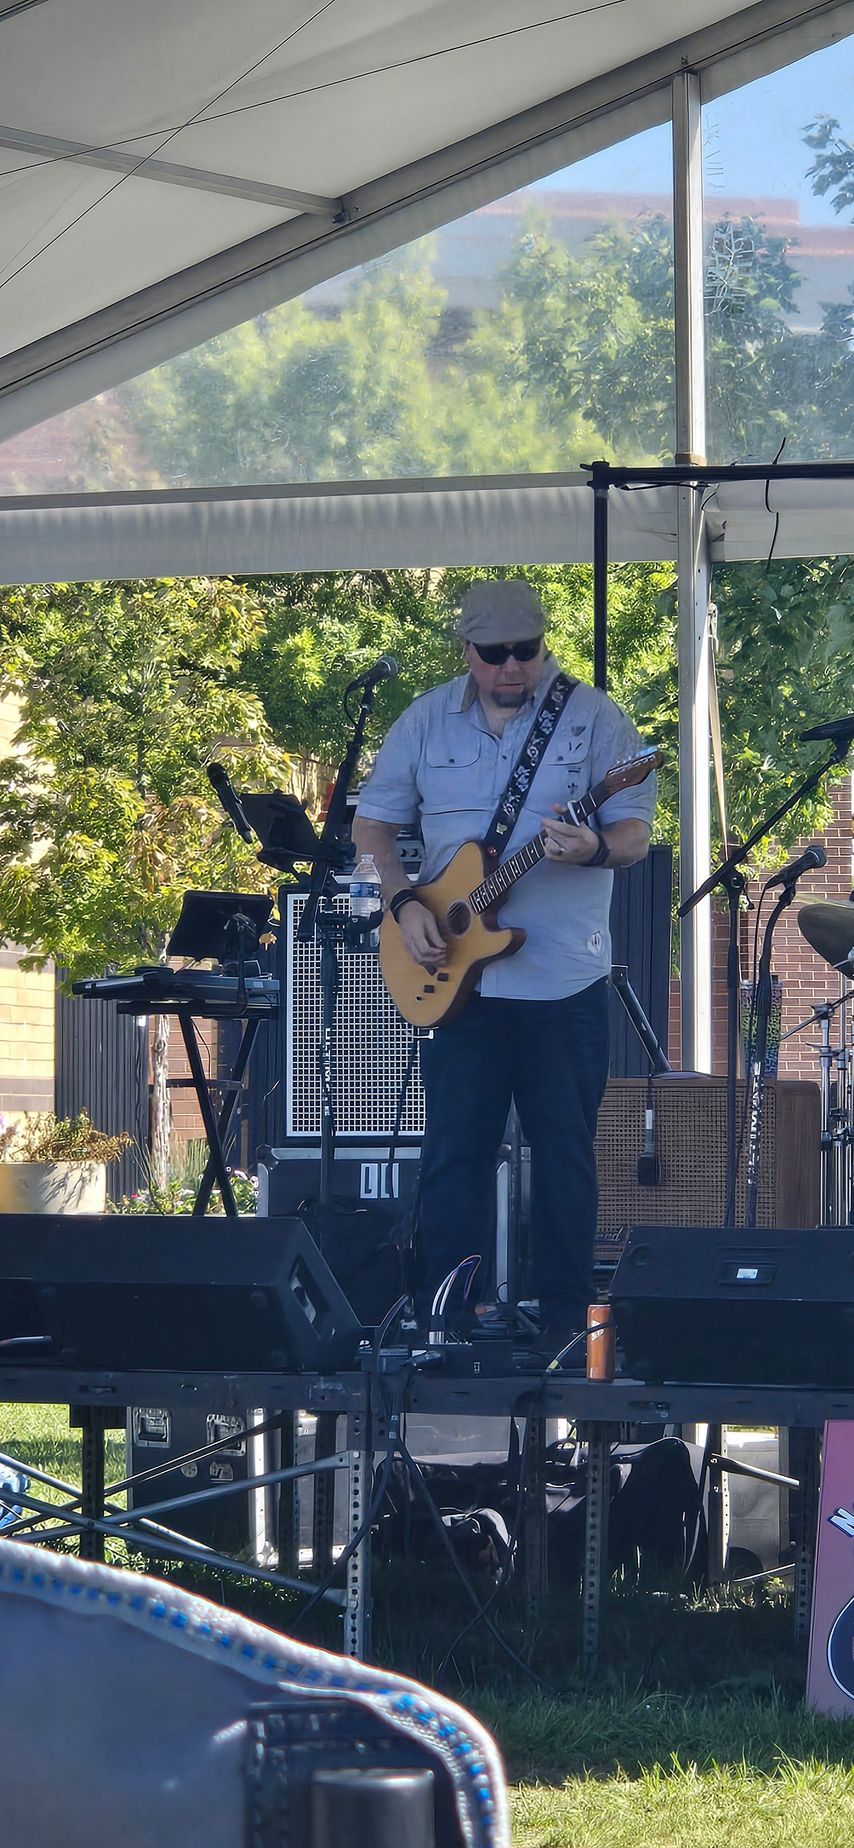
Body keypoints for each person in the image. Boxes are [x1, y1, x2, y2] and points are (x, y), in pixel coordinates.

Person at [352, 578, 655, 1357]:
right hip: (464, 988)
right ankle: (446, 1317)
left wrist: (593, 848)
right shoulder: (423, 720)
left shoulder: (595, 720)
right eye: (496, 656)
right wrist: (403, 906)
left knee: (565, 1156)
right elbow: (374, 828)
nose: (513, 668)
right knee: (454, 1151)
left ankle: (563, 1325)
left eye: (527, 651)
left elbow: (633, 836)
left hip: (566, 982)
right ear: (468, 652)